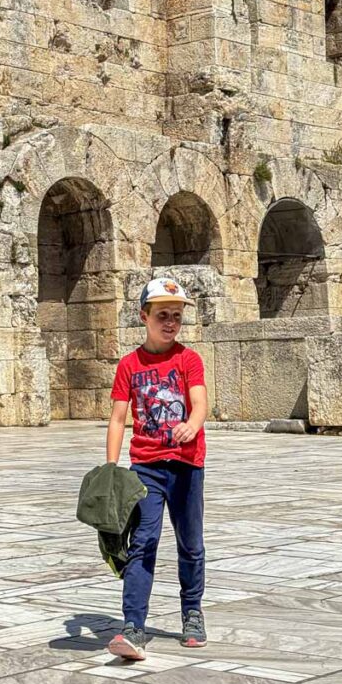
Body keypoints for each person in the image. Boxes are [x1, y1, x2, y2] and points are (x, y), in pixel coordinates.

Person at [105, 277, 208, 661]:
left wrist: (192, 425)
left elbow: (200, 402)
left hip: (185, 464)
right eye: (162, 315)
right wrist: (111, 468)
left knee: (190, 543)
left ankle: (192, 612)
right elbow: (118, 418)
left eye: (176, 316)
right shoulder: (129, 365)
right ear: (143, 316)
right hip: (145, 466)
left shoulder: (188, 360)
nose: (170, 323)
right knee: (142, 543)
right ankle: (133, 625)